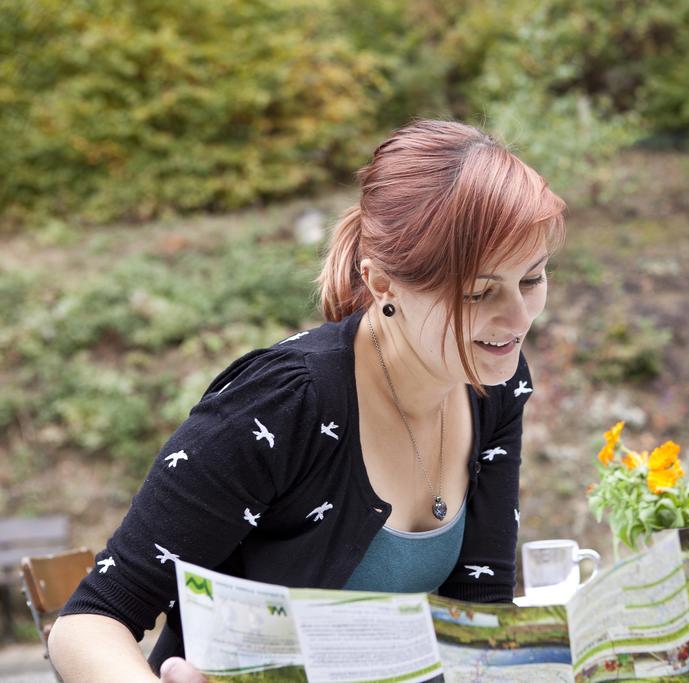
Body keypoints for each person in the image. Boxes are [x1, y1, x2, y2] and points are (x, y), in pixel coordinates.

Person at [48, 120, 566, 682]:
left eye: (532, 279)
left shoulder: (495, 380)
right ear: (385, 284)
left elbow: (480, 614)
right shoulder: (283, 404)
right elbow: (91, 619)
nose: (518, 318)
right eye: (480, 292)